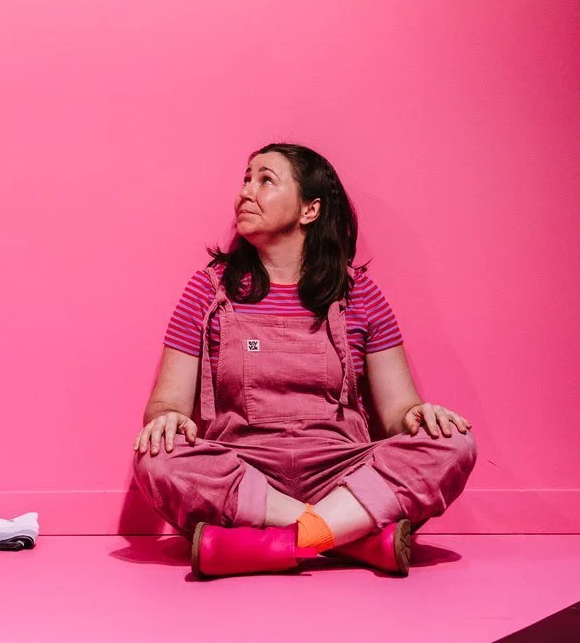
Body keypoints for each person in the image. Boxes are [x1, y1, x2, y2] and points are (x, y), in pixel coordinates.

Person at [131, 143, 475, 578]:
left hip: (344, 472)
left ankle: (267, 545)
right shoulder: (207, 291)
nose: (245, 192)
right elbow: (164, 406)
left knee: (454, 443)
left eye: (266, 180)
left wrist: (421, 416)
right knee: (155, 455)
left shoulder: (360, 295)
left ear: (309, 210)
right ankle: (351, 540)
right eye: (245, 179)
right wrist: (166, 420)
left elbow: (398, 412)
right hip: (244, 472)